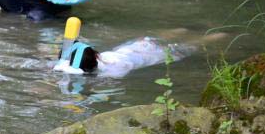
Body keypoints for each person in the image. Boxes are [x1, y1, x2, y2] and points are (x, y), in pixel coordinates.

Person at [54, 38, 186, 78]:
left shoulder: (114, 71)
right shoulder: (108, 64)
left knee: (184, 49)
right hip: (135, 47)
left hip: (150, 56)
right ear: (96, 55)